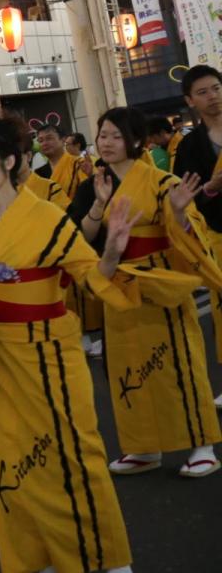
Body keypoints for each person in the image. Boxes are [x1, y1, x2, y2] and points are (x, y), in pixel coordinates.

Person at [0, 117, 137, 573]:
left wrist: (112, 250)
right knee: (12, 461)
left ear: (11, 161)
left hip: (49, 353)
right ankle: (38, 556)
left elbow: (89, 275)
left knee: (74, 454)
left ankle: (108, 559)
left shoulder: (48, 217)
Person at [70, 107, 221, 478]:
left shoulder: (162, 181)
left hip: (159, 281)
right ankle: (142, 446)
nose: (106, 142)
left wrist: (180, 213)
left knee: (179, 364)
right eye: (102, 135)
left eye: (115, 135)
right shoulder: (95, 185)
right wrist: (99, 205)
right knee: (128, 368)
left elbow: (189, 233)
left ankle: (202, 444)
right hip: (118, 282)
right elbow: (81, 237)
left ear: (135, 140)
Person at [172, 65, 222, 406]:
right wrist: (211, 189)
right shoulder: (190, 147)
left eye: (216, 88)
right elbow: (185, 200)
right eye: (202, 92)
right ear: (190, 100)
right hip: (217, 234)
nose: (212, 96)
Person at [33, 124, 91, 197]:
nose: (44, 143)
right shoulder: (39, 173)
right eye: (41, 140)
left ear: (63, 140)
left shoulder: (79, 164)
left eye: (49, 138)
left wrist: (90, 175)